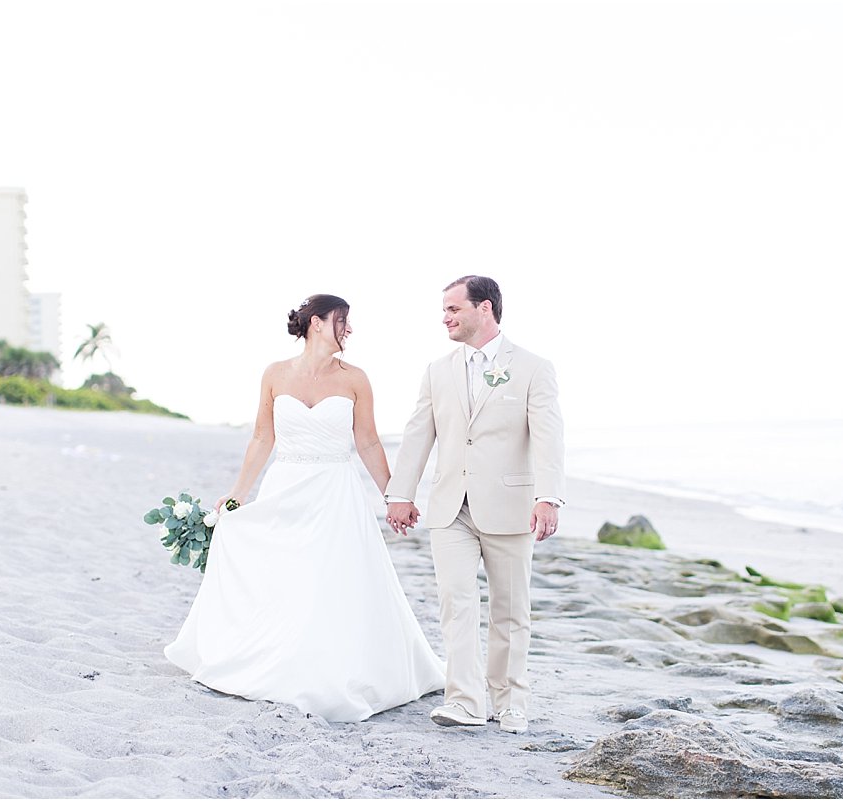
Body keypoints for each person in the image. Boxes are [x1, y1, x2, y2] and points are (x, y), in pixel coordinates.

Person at [164, 294, 445, 723]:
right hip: (286, 486)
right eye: (342, 321)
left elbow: (367, 441)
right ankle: (275, 659)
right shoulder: (275, 374)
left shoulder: (356, 379)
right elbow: (262, 437)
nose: (348, 330)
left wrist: (395, 496)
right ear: (317, 323)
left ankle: (327, 668)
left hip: (335, 492)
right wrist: (238, 494)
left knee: (329, 580)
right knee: (284, 576)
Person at [384, 276, 566, 734]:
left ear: (484, 308)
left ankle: (509, 702)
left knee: (509, 610)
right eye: (443, 311)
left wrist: (548, 497)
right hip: (449, 508)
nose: (445, 317)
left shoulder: (532, 368)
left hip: (511, 506)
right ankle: (464, 701)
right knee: (455, 603)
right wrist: (401, 494)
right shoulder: (436, 370)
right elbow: (418, 433)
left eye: (453, 309)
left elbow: (548, 438)